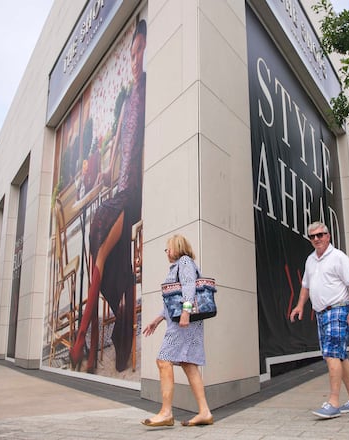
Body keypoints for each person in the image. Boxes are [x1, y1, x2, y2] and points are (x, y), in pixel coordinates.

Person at [68, 19, 147, 373]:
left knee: (99, 240)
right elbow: (118, 150)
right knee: (98, 237)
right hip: (119, 191)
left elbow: (136, 147)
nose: (134, 58)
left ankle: (84, 336)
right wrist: (102, 171)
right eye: (132, 52)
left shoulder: (144, 89)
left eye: (139, 50)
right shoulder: (131, 95)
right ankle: (89, 336)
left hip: (132, 194)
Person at [289, 221, 349, 418]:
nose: (316, 239)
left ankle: (333, 402)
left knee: (331, 353)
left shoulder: (339, 257)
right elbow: (306, 285)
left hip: (338, 310)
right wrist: (299, 305)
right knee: (339, 355)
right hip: (322, 313)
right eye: (312, 236)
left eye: (320, 235)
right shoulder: (310, 260)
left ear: (328, 236)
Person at [141, 234, 213, 427]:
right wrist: (157, 320)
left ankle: (166, 413)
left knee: (163, 360)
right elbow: (171, 301)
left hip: (184, 321)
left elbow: (189, 286)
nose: (167, 252)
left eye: (168, 248)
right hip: (183, 320)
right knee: (189, 364)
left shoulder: (184, 261)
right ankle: (205, 412)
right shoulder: (177, 266)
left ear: (176, 247)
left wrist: (186, 312)